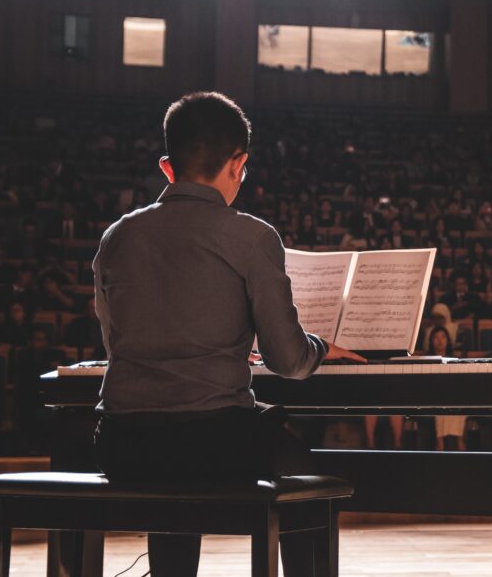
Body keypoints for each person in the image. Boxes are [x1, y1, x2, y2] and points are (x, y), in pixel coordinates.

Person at [90, 92, 365, 577]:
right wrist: (320, 347)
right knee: (301, 467)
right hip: (212, 443)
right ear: (238, 164)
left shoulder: (117, 237)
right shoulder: (251, 235)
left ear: (167, 167)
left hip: (123, 443)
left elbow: (117, 344)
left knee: (171, 459)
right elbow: (285, 359)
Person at [426, 327, 466, 451]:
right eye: (436, 337)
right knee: (440, 402)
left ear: (448, 340)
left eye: (443, 337)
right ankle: (440, 441)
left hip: (451, 394)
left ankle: (460, 439)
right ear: (431, 341)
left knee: (460, 400)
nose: (440, 340)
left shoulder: (454, 360)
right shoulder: (426, 360)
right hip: (432, 395)